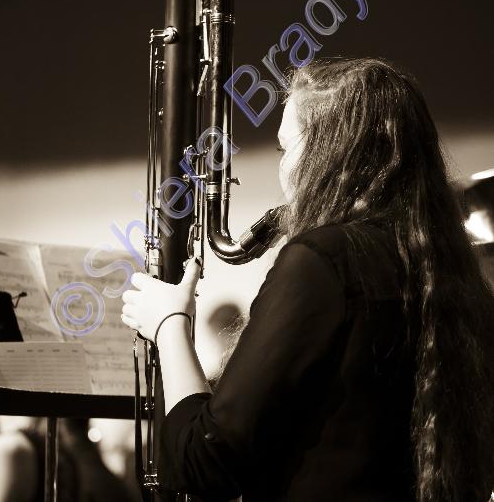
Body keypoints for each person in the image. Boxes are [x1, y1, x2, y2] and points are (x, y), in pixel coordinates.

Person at [121, 58, 494, 502]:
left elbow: (205, 462)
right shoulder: (447, 268)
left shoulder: (322, 261)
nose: (282, 170)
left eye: (285, 149)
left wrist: (169, 324)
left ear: (327, 155)